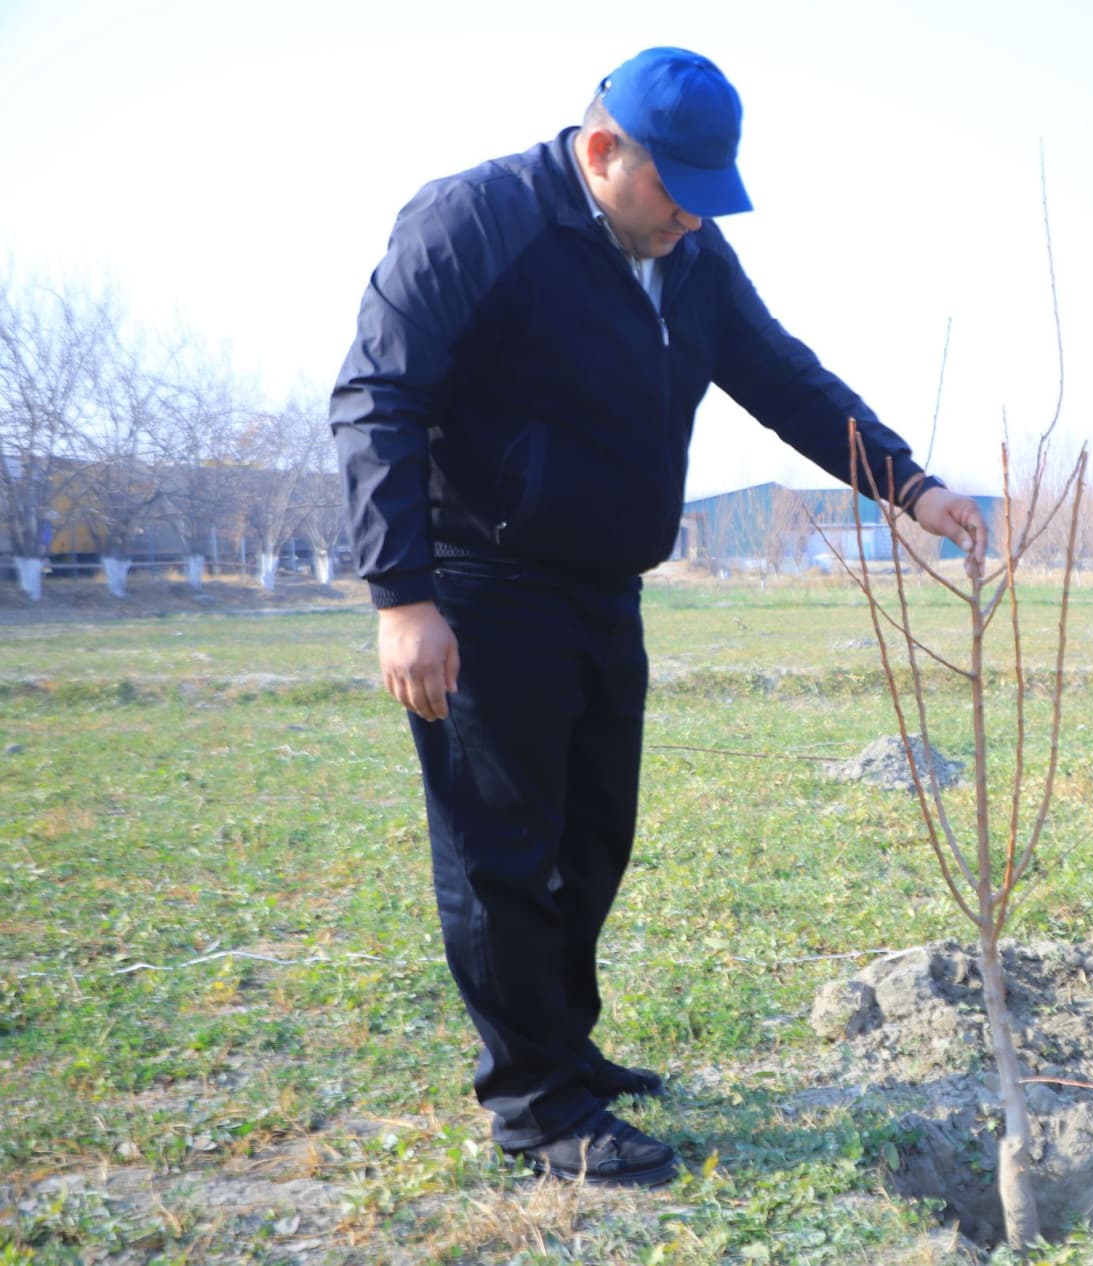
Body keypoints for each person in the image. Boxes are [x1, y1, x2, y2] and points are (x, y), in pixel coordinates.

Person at [330, 48, 989, 1188]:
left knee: (592, 838)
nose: (693, 218)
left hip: (601, 587)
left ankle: (565, 1051)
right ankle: (539, 1105)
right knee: (503, 853)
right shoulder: (475, 222)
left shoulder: (687, 253)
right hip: (481, 584)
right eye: (677, 192)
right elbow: (376, 395)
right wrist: (403, 597)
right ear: (602, 153)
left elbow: (781, 376)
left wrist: (909, 486)